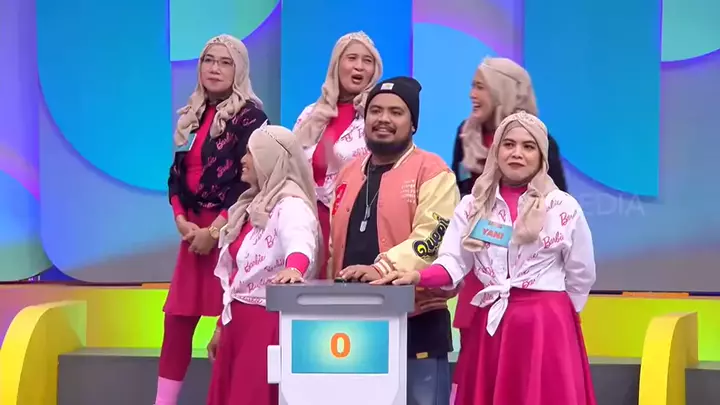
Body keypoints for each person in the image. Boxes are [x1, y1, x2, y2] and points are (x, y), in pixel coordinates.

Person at [374, 111, 597, 405]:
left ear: (541, 155)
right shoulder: (474, 205)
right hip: (491, 323)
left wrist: (558, 313)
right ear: (496, 151)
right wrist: (418, 276)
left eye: (528, 146)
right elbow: (454, 262)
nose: (517, 153)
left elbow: (582, 272)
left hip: (546, 327)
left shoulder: (562, 207)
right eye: (509, 144)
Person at [331, 77, 459, 405]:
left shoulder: (433, 171)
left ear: (413, 124)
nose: (383, 119)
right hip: (352, 325)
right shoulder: (348, 173)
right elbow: (333, 245)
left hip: (416, 320)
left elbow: (433, 236)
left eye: (396, 112)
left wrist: (382, 268)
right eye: (375, 111)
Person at [157, 34, 268, 405]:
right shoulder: (193, 114)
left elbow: (248, 180)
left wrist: (216, 230)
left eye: (225, 62)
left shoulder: (252, 117)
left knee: (231, 323)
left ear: (240, 70)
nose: (215, 68)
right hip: (193, 232)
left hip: (232, 229)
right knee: (176, 320)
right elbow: (176, 174)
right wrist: (180, 219)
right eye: (208, 60)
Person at [450, 58, 569, 395]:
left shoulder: (541, 142)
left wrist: (501, 236)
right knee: (480, 366)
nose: (472, 94)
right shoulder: (465, 136)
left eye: (480, 86)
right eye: (472, 86)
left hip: (527, 286)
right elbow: (459, 197)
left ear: (502, 90)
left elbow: (555, 216)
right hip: (480, 274)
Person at [206, 124, 321, 405]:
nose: (243, 159)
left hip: (266, 323)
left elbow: (300, 243)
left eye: (251, 152)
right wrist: (221, 326)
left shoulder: (291, 205)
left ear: (270, 158)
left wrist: (294, 268)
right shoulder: (250, 206)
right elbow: (239, 275)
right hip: (238, 321)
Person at [293, 31, 383, 279]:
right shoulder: (310, 114)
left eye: (367, 60)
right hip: (306, 220)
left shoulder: (378, 116)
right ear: (336, 64)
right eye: (351, 58)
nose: (359, 66)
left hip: (353, 223)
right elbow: (288, 165)